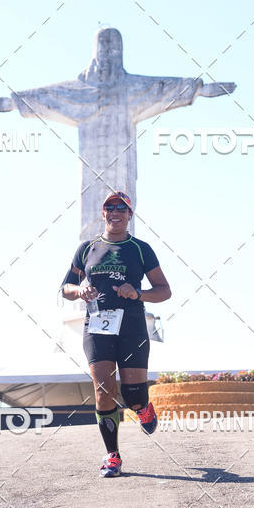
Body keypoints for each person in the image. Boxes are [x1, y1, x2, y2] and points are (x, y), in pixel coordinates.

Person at [61, 192, 172, 477]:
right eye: (109, 207)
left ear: (129, 215)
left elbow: (164, 290)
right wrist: (80, 290)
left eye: (121, 208)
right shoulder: (87, 249)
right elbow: (65, 287)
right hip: (97, 326)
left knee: (133, 395)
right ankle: (112, 456)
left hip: (132, 326)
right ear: (103, 213)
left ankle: (143, 407)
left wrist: (137, 293)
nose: (115, 212)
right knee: (103, 391)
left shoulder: (140, 249)